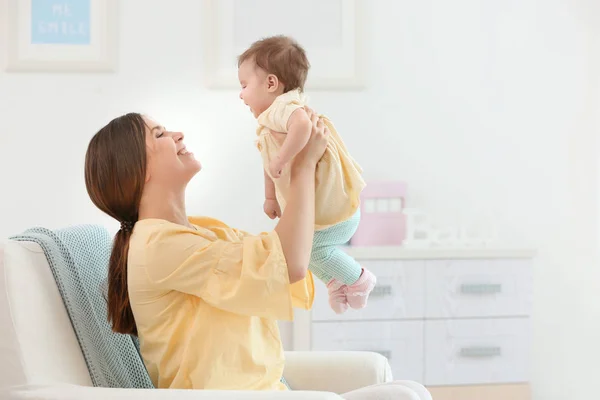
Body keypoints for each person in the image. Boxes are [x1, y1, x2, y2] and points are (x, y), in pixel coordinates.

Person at [84, 111, 431, 399]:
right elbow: (285, 263)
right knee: (405, 396)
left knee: (408, 390)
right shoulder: (157, 246)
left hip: (266, 392)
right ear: (137, 170)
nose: (177, 134)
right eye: (159, 133)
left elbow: (283, 254)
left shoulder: (198, 231)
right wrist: (302, 169)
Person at [238, 35, 376, 314]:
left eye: (244, 85)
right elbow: (269, 164)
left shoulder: (286, 108)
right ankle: (336, 281)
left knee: (308, 250)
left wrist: (282, 157)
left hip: (335, 213)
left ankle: (358, 280)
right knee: (305, 249)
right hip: (325, 215)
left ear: (271, 84)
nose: (240, 94)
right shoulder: (268, 125)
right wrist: (270, 197)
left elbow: (301, 126)